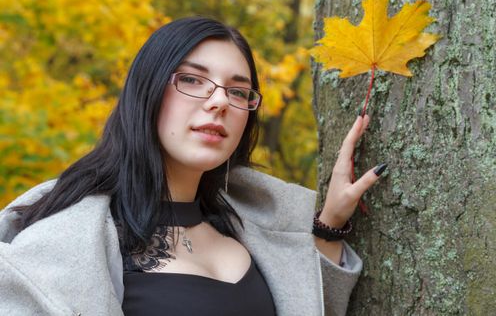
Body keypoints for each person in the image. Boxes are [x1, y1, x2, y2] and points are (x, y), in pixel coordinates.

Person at [0, 17, 386, 316]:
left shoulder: (254, 226)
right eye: (192, 79)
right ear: (146, 92)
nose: (219, 101)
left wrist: (330, 224)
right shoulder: (64, 241)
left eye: (237, 90)